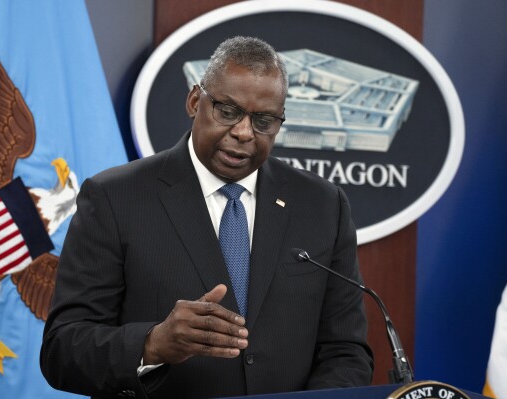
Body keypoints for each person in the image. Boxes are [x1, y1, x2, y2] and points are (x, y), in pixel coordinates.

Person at [40, 36, 373, 399]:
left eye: (263, 121)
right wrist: (152, 344)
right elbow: (63, 349)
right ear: (195, 101)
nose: (244, 132)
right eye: (227, 111)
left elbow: (346, 351)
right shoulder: (115, 198)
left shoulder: (323, 205)